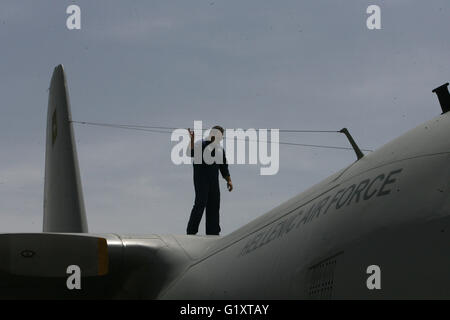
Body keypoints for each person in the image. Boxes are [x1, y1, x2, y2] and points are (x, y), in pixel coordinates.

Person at [186, 125, 233, 235]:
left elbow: (224, 167)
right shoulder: (201, 144)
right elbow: (190, 153)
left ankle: (213, 232)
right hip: (201, 179)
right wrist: (192, 140)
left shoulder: (220, 150)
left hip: (213, 181)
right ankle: (191, 231)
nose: (219, 138)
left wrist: (229, 180)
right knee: (200, 203)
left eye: (221, 136)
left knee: (214, 204)